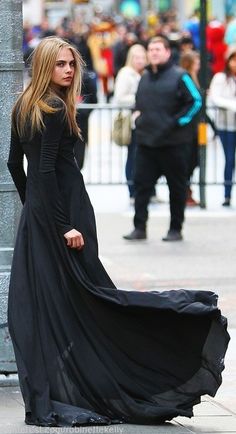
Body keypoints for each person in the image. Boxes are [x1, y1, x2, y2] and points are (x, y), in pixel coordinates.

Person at [7, 36, 229, 428]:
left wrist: (36, 212)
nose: (69, 70)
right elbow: (39, 170)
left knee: (55, 302)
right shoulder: (55, 108)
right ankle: (167, 339)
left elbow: (14, 167)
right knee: (92, 298)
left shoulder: (22, 106)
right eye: (60, 64)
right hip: (66, 215)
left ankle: (69, 384)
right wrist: (63, 225)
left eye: (72, 64)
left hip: (44, 217)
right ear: (44, 66)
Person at [123, 36, 202, 242]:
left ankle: (175, 229)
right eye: (151, 49)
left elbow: (196, 101)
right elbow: (139, 102)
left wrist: (177, 122)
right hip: (147, 143)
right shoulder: (145, 76)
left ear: (167, 52)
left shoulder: (180, 76)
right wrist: (137, 117)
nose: (154, 53)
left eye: (158, 49)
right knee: (141, 187)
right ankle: (139, 227)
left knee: (177, 188)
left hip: (173, 145)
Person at [113, 44, 148, 202]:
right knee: (133, 156)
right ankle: (132, 191)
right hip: (131, 121)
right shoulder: (126, 73)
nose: (140, 61)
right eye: (137, 57)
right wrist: (141, 100)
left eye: (143, 57)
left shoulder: (145, 74)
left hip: (145, 121)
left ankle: (146, 190)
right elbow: (120, 97)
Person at [209, 45, 236, 207]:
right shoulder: (220, 78)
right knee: (229, 159)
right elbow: (215, 98)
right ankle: (227, 194)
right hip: (226, 125)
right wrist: (232, 105)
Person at [179, 50, 200, 206]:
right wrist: (182, 120)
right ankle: (185, 192)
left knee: (193, 160)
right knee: (187, 162)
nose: (199, 64)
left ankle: (187, 191)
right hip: (187, 129)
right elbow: (196, 102)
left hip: (194, 128)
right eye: (197, 61)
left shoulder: (193, 78)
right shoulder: (185, 78)